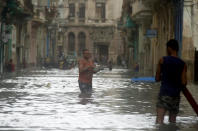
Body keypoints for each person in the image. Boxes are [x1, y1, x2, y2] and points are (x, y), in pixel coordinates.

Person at [155, 39, 187, 124]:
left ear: (169, 48)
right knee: (173, 121)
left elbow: (157, 78)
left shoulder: (162, 60)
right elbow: (184, 82)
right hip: (175, 96)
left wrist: (164, 76)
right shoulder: (183, 64)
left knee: (159, 120)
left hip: (164, 94)